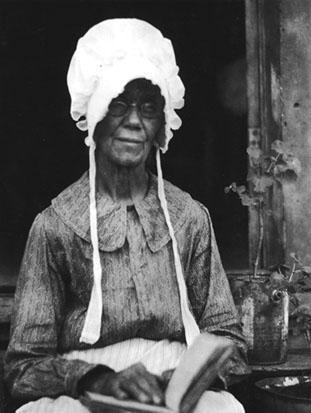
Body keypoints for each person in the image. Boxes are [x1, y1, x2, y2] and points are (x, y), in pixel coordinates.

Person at [4, 18, 249, 413]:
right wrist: (98, 380)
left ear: (160, 126)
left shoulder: (189, 218)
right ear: (95, 115)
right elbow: (22, 367)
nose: (134, 120)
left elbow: (229, 342)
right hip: (82, 387)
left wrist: (173, 382)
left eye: (149, 107)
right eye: (118, 103)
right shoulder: (55, 226)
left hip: (174, 382)